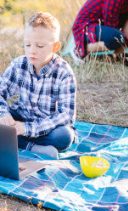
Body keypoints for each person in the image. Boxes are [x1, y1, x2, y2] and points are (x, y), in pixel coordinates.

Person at [0, 12, 77, 158]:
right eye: (27, 44)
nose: (32, 50)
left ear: (55, 47)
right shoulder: (18, 65)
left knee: (64, 136)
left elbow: (66, 115)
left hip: (47, 127)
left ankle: (19, 142)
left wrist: (27, 129)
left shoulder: (64, 72)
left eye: (40, 46)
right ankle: (31, 147)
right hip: (20, 118)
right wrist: (4, 115)